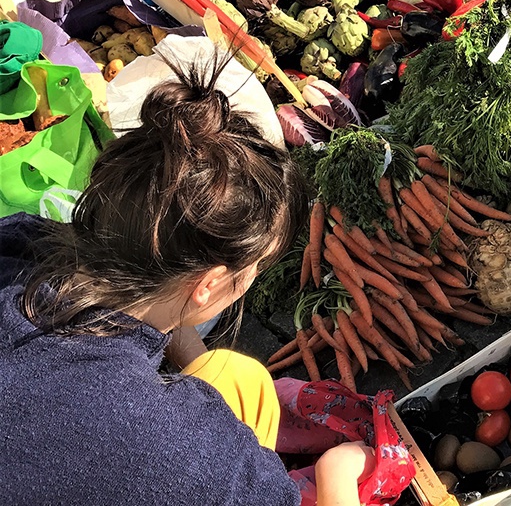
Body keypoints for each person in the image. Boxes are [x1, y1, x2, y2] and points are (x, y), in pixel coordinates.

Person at [0, 55, 374, 506]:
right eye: (256, 268)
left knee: (240, 376)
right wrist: (339, 473)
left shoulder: (19, 244)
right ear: (210, 283)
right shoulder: (187, 455)